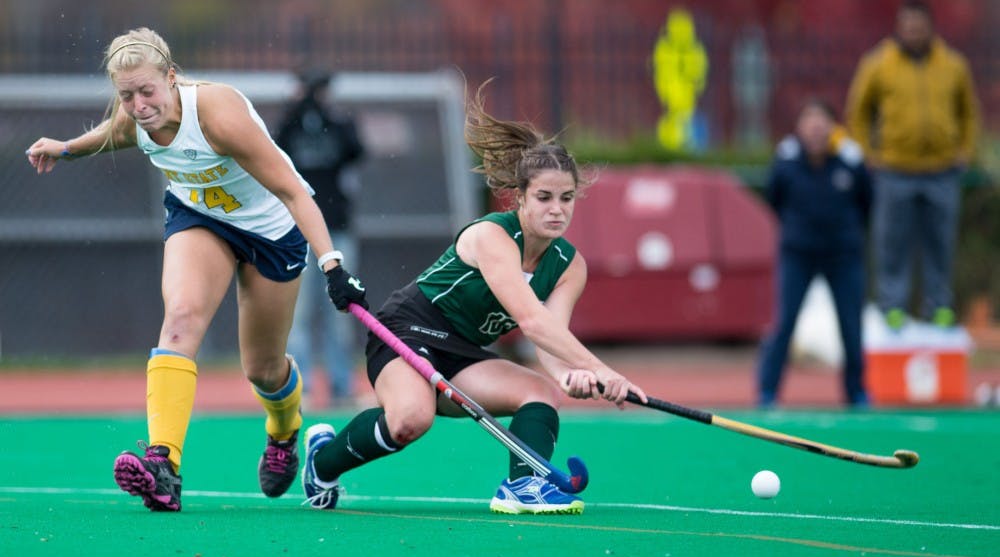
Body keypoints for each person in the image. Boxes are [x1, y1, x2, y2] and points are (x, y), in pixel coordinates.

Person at [25, 27, 368, 512]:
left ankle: (284, 430)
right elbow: (113, 135)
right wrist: (64, 148)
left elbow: (293, 189)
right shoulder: (136, 117)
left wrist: (332, 264)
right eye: (126, 96)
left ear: (171, 77)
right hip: (200, 219)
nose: (139, 105)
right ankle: (163, 465)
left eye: (147, 91)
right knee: (181, 319)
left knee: (264, 370)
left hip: (272, 232)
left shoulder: (218, 115)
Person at [299, 82, 648, 515]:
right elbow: (531, 320)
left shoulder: (569, 266)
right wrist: (600, 367)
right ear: (519, 197)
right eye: (543, 197)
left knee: (539, 392)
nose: (556, 209)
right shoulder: (493, 236)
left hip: (462, 353)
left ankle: (523, 486)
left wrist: (570, 377)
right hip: (407, 331)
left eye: (566, 198)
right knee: (411, 420)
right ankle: (322, 463)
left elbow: (549, 338)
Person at [845, 0, 980, 331]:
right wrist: (867, 152)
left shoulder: (952, 65)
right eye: (908, 26)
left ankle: (939, 306)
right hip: (895, 170)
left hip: (942, 170)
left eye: (919, 26)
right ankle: (893, 307)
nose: (913, 32)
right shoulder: (878, 64)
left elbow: (969, 112)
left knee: (940, 242)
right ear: (899, 27)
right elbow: (858, 111)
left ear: (930, 27)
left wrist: (965, 149)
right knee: (892, 242)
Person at [756, 99, 872, 409]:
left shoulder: (851, 159)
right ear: (799, 129)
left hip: (843, 254)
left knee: (851, 325)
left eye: (823, 123)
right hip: (798, 253)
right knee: (784, 322)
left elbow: (867, 202)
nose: (816, 130)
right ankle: (767, 391)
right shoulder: (786, 160)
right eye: (810, 122)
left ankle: (856, 392)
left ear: (833, 128)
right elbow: (774, 198)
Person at [276, 68, 366, 407]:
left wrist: (325, 112)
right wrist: (298, 109)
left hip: (337, 229)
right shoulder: (290, 125)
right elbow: (274, 147)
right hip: (295, 232)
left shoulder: (338, 123)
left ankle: (342, 385)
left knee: (341, 311)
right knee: (296, 314)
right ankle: (302, 389)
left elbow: (357, 149)